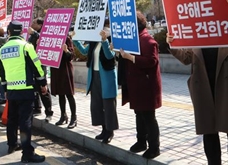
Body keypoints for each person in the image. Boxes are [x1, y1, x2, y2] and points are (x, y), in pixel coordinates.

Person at [168, 20, 228, 163]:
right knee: (209, 132)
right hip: (204, 90)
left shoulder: (224, 26)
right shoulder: (197, 34)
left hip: (224, 89)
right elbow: (186, 58)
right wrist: (171, 44)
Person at [0, 21, 47, 163]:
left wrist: (5, 89)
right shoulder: (26, 46)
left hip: (11, 91)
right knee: (25, 122)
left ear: (9, 32)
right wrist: (42, 83)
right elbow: (37, 66)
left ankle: (12, 144)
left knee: (12, 120)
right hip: (26, 90)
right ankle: (27, 153)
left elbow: (1, 73)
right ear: (22, 31)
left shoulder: (2, 50)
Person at [116, 12, 161, 159]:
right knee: (139, 114)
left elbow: (152, 61)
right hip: (135, 85)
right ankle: (141, 141)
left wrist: (130, 57)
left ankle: (154, 147)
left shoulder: (147, 40)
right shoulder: (132, 39)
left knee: (148, 116)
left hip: (146, 86)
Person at [72, 19, 119, 143]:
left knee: (108, 104)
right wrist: (75, 39)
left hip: (107, 76)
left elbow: (110, 55)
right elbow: (84, 51)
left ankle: (110, 131)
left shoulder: (112, 40)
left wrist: (104, 41)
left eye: (105, 27)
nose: (104, 30)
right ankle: (104, 129)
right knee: (97, 104)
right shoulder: (94, 41)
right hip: (95, 75)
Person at [27, 18, 53, 121]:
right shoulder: (32, 35)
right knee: (34, 89)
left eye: (34, 23)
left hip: (41, 65)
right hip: (32, 64)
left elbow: (46, 42)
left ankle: (49, 112)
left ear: (40, 25)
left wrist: (35, 34)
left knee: (43, 89)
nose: (32, 24)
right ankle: (37, 108)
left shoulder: (42, 33)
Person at [51, 36, 77, 129]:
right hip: (55, 69)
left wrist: (66, 50)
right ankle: (63, 115)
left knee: (69, 94)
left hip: (65, 70)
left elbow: (71, 56)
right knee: (60, 94)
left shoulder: (67, 39)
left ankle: (74, 118)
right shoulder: (51, 38)